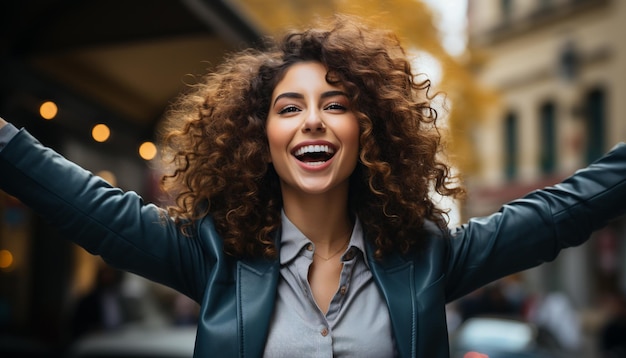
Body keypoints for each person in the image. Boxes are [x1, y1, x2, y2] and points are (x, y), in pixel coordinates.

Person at [0, 14, 624, 358]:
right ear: (259, 136)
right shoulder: (211, 255)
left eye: (335, 103)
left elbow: (556, 214)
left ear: (368, 129)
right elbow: (86, 204)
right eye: (289, 107)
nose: (314, 120)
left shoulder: (427, 256)